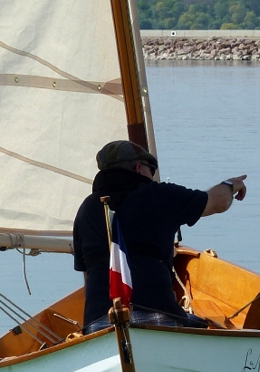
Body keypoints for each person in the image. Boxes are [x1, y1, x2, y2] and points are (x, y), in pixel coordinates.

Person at [73, 140, 247, 333]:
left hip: (98, 323)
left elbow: (88, 275)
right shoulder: (159, 195)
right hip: (158, 315)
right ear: (139, 168)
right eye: (152, 170)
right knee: (199, 323)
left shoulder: (86, 210)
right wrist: (232, 184)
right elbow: (219, 201)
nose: (153, 176)